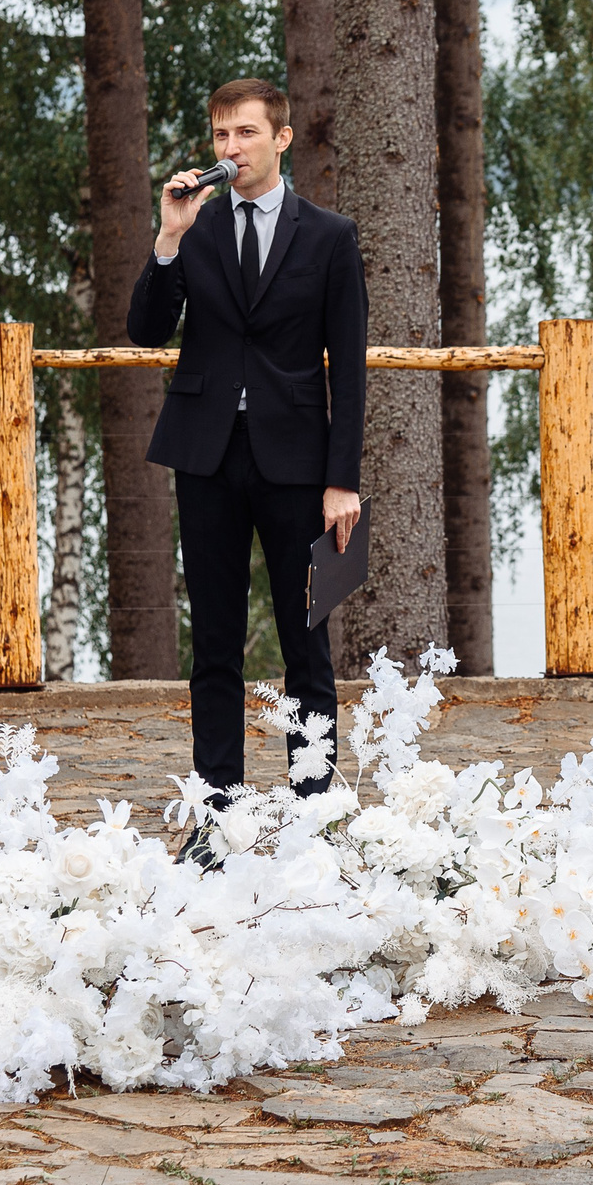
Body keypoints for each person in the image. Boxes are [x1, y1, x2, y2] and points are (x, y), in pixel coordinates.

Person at [128, 77, 366, 867]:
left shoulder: (330, 236)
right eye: (221, 135)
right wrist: (166, 239)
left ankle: (315, 814)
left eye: (246, 134)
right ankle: (217, 816)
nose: (230, 150)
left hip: (298, 464)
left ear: (283, 138)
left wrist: (342, 479)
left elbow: (352, 370)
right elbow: (145, 332)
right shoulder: (193, 228)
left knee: (308, 644)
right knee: (215, 644)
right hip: (205, 457)